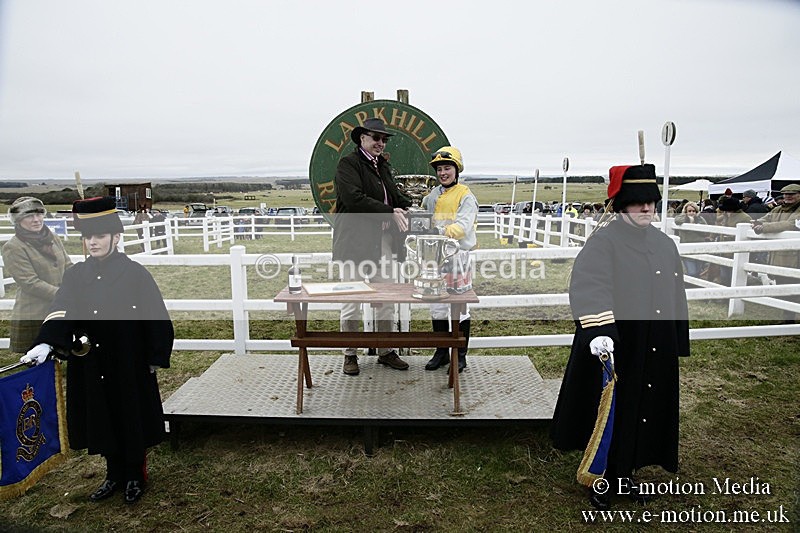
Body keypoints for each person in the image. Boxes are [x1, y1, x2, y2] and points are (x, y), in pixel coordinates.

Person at [550, 163, 690, 511]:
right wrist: (599, 332)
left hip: (654, 344)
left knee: (644, 408)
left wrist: (675, 339)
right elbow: (590, 286)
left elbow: (675, 293)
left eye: (650, 202)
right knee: (614, 409)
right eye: (637, 202)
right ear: (621, 204)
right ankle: (603, 473)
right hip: (616, 344)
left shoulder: (664, 244)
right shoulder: (603, 242)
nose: (646, 209)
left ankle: (628, 472)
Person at [20, 197, 174, 504]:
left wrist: (155, 356)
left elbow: (156, 315)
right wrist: (46, 341)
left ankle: (134, 475)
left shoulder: (135, 273)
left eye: (100, 236)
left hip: (128, 359)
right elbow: (62, 307)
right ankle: (113, 474)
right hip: (92, 361)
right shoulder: (76, 275)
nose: (93, 242)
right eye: (88, 237)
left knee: (129, 416)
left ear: (116, 238)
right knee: (101, 416)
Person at [332, 118, 412, 375]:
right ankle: (350, 353)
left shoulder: (383, 166)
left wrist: (409, 204)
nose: (380, 142)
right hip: (354, 244)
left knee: (386, 299)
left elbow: (392, 196)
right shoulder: (348, 164)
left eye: (383, 139)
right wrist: (389, 212)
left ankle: (385, 350)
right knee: (351, 300)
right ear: (362, 139)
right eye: (375, 138)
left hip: (384, 243)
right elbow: (353, 199)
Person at [420, 146, 478, 373]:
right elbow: (422, 216)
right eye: (440, 169)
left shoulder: (466, 195)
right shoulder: (432, 195)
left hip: (457, 256)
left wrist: (436, 230)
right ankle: (441, 351)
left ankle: (460, 354)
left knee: (460, 308)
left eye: (447, 168)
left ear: (456, 170)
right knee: (436, 306)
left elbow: (463, 227)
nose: (443, 173)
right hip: (433, 257)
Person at [1, 197, 72, 353]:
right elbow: (30, 283)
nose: (36, 219)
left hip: (60, 310)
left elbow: (68, 266)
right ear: (18, 220)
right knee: (39, 367)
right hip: (35, 314)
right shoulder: (13, 247)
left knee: (61, 359)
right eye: (29, 216)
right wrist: (65, 295)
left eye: (39, 214)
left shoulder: (53, 237)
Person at [752, 183, 800, 323]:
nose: (788, 197)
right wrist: (756, 222)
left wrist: (764, 227)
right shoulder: (778, 209)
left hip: (795, 257)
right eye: (786, 194)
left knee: (792, 286)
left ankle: (789, 318)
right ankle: (788, 317)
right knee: (783, 286)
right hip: (778, 255)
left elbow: (791, 224)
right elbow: (764, 218)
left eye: (792, 194)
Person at [673, 201, 708, 278]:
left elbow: (706, 230)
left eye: (693, 211)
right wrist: (688, 219)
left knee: (698, 271)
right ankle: (689, 287)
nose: (692, 213)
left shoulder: (700, 219)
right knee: (692, 272)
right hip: (687, 250)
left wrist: (696, 222)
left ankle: (694, 288)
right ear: (685, 211)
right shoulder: (681, 217)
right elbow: (677, 220)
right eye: (689, 211)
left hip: (699, 249)